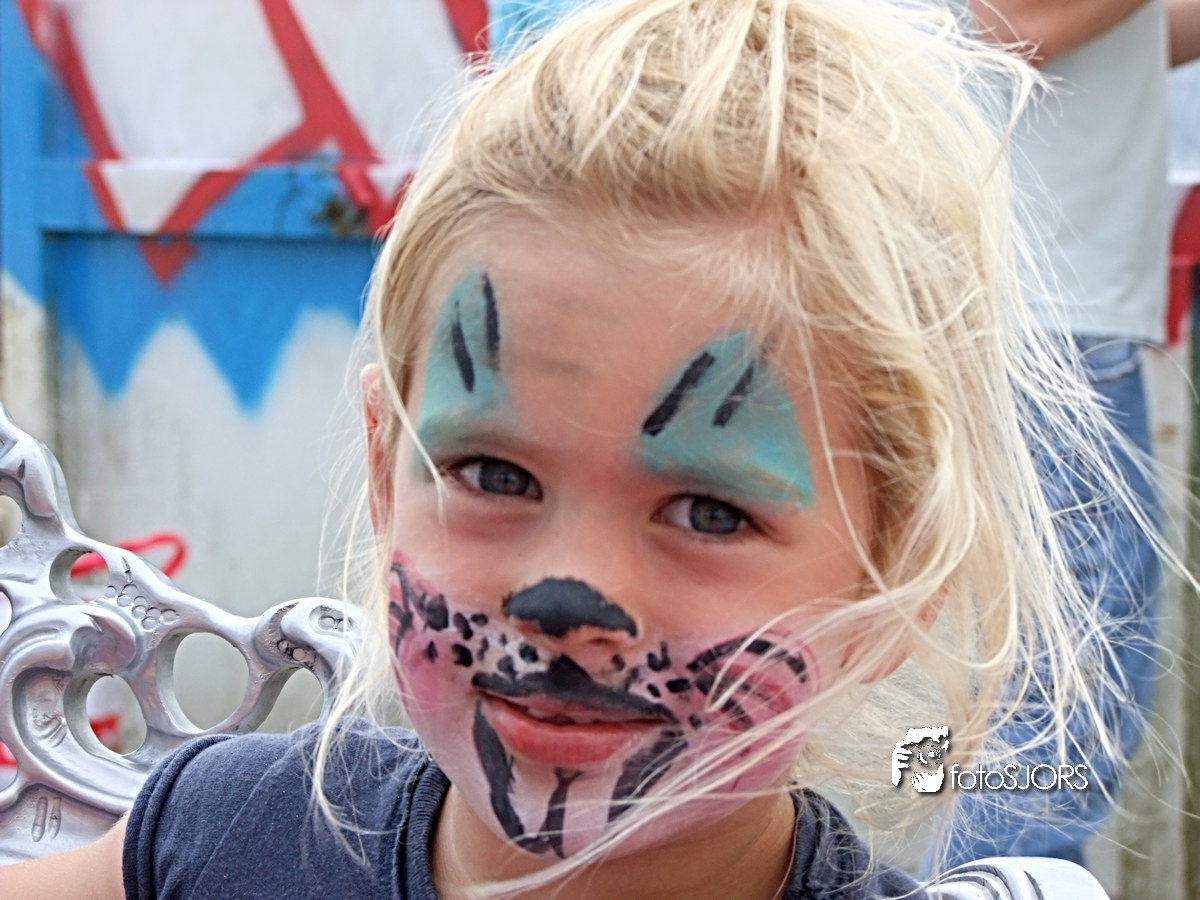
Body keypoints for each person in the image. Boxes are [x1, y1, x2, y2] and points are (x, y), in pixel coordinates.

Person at [0, 0, 1156, 896]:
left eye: (708, 510)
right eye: (494, 475)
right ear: (384, 466)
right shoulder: (230, 838)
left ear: (898, 569)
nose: (568, 600)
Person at [932, 0, 1200, 868]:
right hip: (1036, 305)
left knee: (1015, 726)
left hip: (1027, 296)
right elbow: (1020, 21)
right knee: (1048, 729)